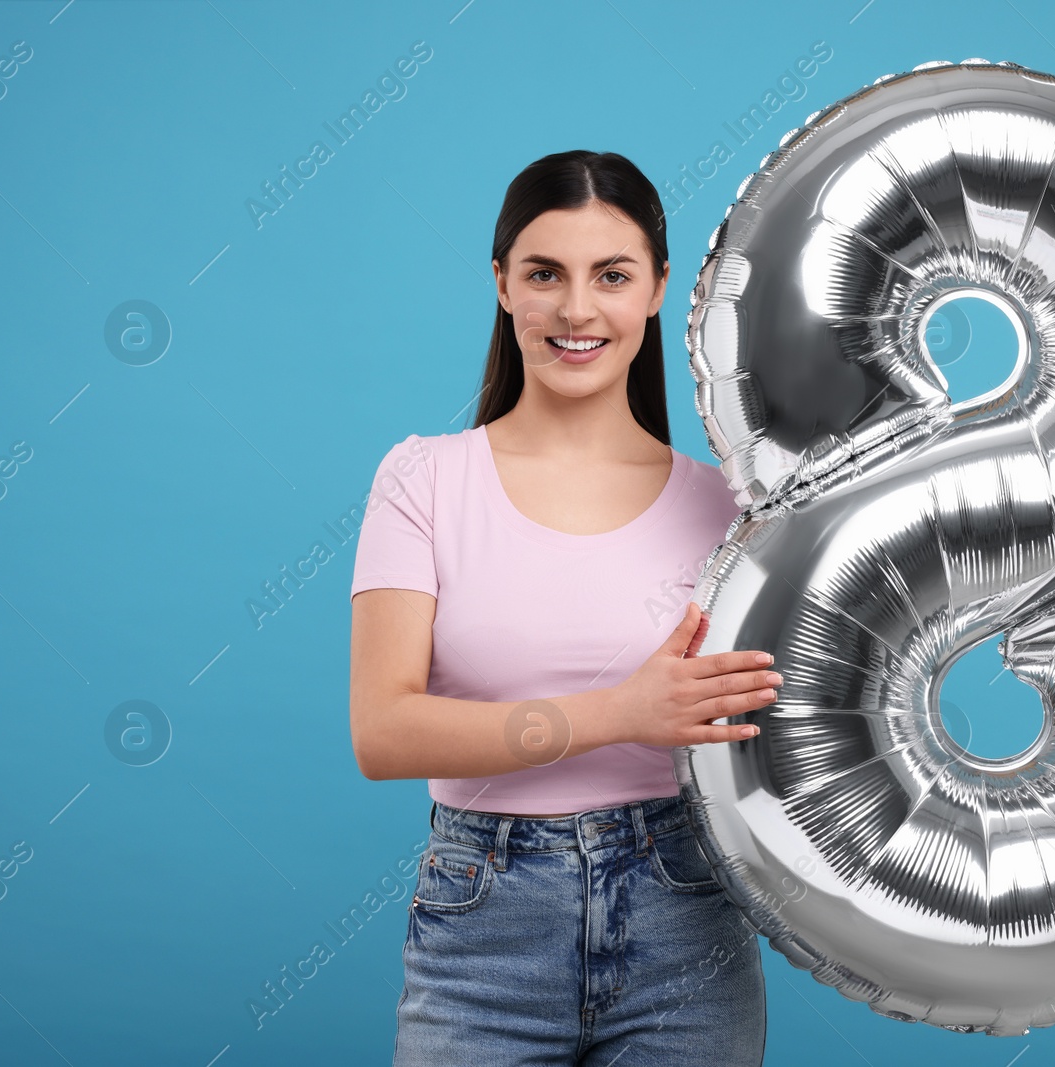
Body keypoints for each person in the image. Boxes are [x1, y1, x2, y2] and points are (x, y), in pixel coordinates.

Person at [348, 149, 776, 1066]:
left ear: (660, 289)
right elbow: (383, 731)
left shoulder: (733, 513)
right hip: (484, 927)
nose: (577, 310)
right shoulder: (423, 480)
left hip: (686, 917)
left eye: (612, 276)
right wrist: (620, 713)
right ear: (502, 284)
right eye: (545, 274)